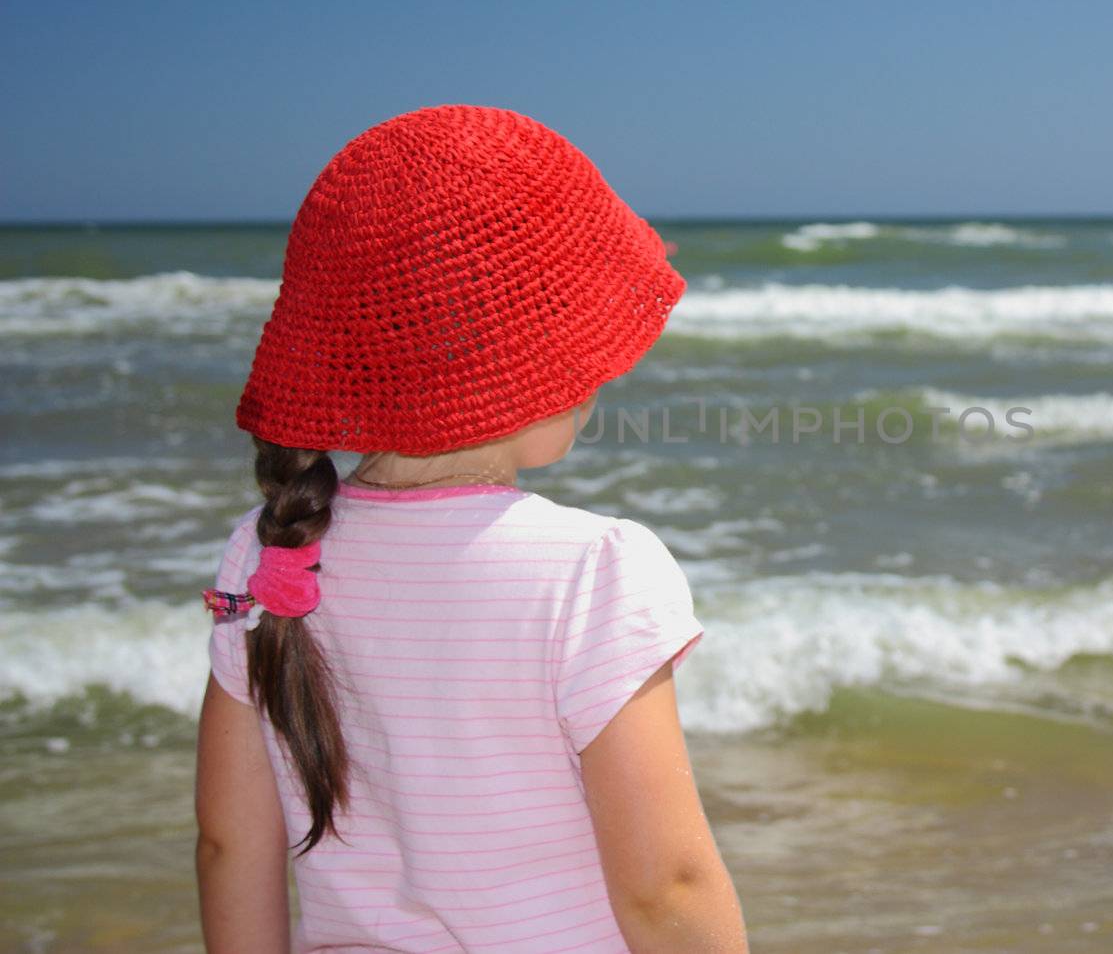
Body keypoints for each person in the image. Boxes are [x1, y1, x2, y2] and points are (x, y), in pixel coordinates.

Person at [194, 105, 748, 953]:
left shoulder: (269, 549)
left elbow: (230, 845)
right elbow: (665, 888)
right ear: (530, 354)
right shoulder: (593, 569)